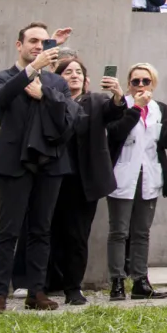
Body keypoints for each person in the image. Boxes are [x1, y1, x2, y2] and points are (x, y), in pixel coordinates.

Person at [0, 25, 77, 313]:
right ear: (19, 45)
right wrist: (31, 71)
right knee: (8, 230)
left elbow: (68, 116)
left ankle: (37, 292)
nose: (38, 46)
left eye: (43, 41)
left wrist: (45, 95)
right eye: (33, 41)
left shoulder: (55, 82)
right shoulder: (1, 77)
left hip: (50, 162)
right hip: (13, 162)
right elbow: (0, 98)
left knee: (42, 229)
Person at [102, 62, 167, 302]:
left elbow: (164, 142)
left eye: (145, 81)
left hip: (149, 176)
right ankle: (117, 281)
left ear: (153, 84)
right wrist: (136, 108)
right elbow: (116, 133)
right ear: (128, 84)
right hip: (123, 175)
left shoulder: (160, 109)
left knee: (141, 232)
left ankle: (140, 281)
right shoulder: (119, 105)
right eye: (135, 81)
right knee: (119, 231)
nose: (140, 85)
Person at [45, 56, 120, 305]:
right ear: (58, 77)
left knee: (77, 236)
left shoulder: (96, 101)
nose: (74, 75)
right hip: (52, 177)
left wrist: (119, 96)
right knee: (49, 233)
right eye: (68, 72)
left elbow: (114, 111)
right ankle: (48, 283)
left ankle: (73, 288)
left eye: (78, 71)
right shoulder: (51, 100)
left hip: (83, 182)